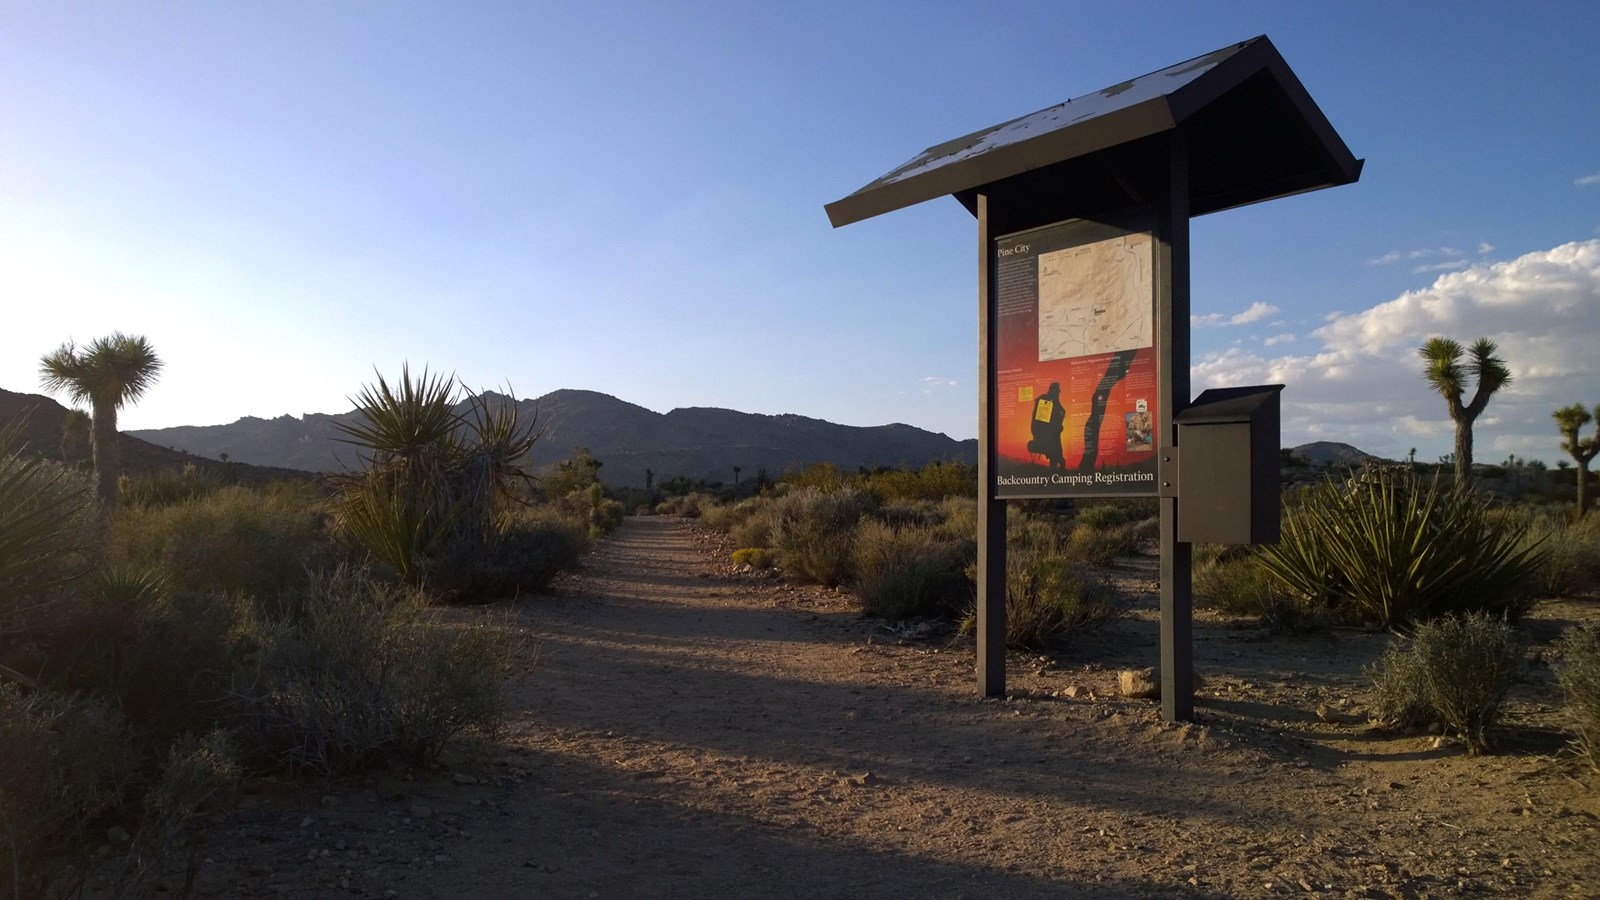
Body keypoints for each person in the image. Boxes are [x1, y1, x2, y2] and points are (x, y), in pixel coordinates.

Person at [1030, 382, 1066, 469]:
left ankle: (1057, 468)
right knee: (1056, 456)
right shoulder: (1045, 400)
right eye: (1057, 391)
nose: (1057, 393)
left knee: (1056, 456)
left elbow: (1061, 412)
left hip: (1051, 434)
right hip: (1047, 433)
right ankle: (1058, 468)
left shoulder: (1055, 402)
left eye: (1058, 392)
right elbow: (1038, 418)